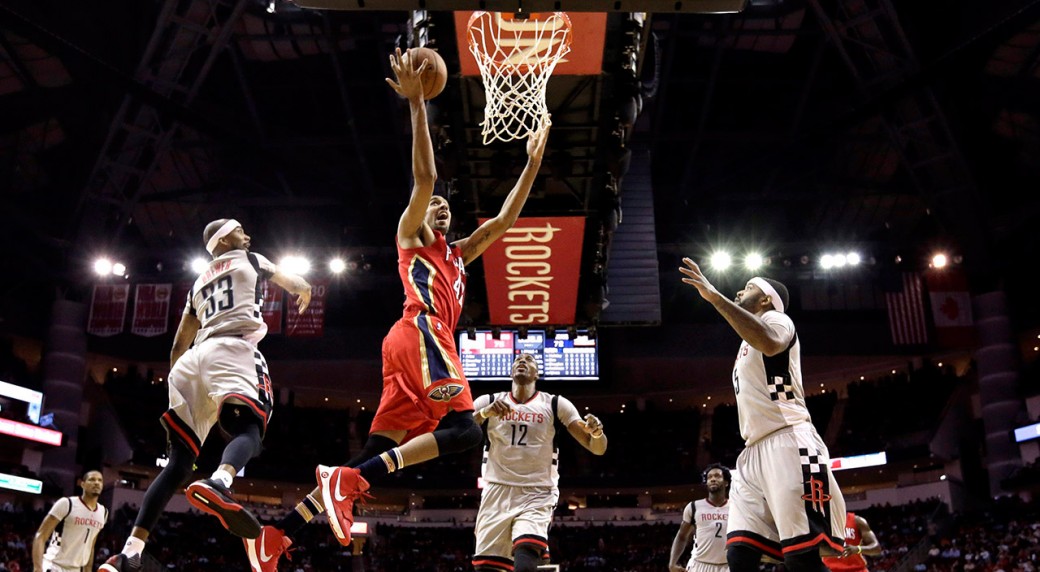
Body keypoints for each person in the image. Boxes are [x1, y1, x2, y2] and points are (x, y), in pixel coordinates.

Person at [241, 47, 550, 572]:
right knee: (466, 432)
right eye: (435, 205)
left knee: (369, 458)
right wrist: (416, 106)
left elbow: (501, 222)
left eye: (447, 205)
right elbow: (425, 179)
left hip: (411, 348)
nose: (441, 204)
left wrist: (533, 163)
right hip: (421, 332)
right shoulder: (411, 235)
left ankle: (276, 535)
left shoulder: (458, 255)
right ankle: (341, 482)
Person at [98, 219, 312, 572]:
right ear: (225, 238)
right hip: (232, 348)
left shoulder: (197, 283)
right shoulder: (253, 259)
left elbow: (180, 341)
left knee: (178, 465)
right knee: (251, 429)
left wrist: (183, 380)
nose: (248, 234)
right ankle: (221, 481)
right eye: (241, 230)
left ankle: (130, 552)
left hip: (189, 364)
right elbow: (295, 282)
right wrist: (303, 288)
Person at [678, 260, 846, 572]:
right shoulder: (745, 339)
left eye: (749, 287)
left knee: (801, 556)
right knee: (740, 553)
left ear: (767, 298)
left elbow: (770, 343)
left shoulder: (778, 320)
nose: (740, 290)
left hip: (790, 441)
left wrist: (716, 297)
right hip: (753, 452)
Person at [470, 352, 606, 572]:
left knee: (526, 555)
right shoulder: (488, 401)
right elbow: (461, 432)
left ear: (537, 373)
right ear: (510, 371)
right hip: (496, 490)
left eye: (529, 360)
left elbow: (597, 448)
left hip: (537, 491)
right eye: (518, 360)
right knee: (488, 568)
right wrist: (485, 413)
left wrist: (597, 433)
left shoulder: (555, 403)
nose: (522, 361)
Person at [33, 470, 108, 572]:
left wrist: (88, 570)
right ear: (82, 484)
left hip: (76, 569)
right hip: (54, 566)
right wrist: (37, 568)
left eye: (100, 480)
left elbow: (91, 545)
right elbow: (41, 536)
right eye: (92, 479)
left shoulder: (103, 512)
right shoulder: (67, 504)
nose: (96, 483)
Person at [669, 463, 731, 572]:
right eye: (709, 477)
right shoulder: (694, 506)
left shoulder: (736, 507)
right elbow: (682, 536)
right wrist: (672, 563)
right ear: (706, 483)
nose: (713, 479)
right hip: (700, 565)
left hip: (727, 565)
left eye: (717, 476)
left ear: (726, 482)